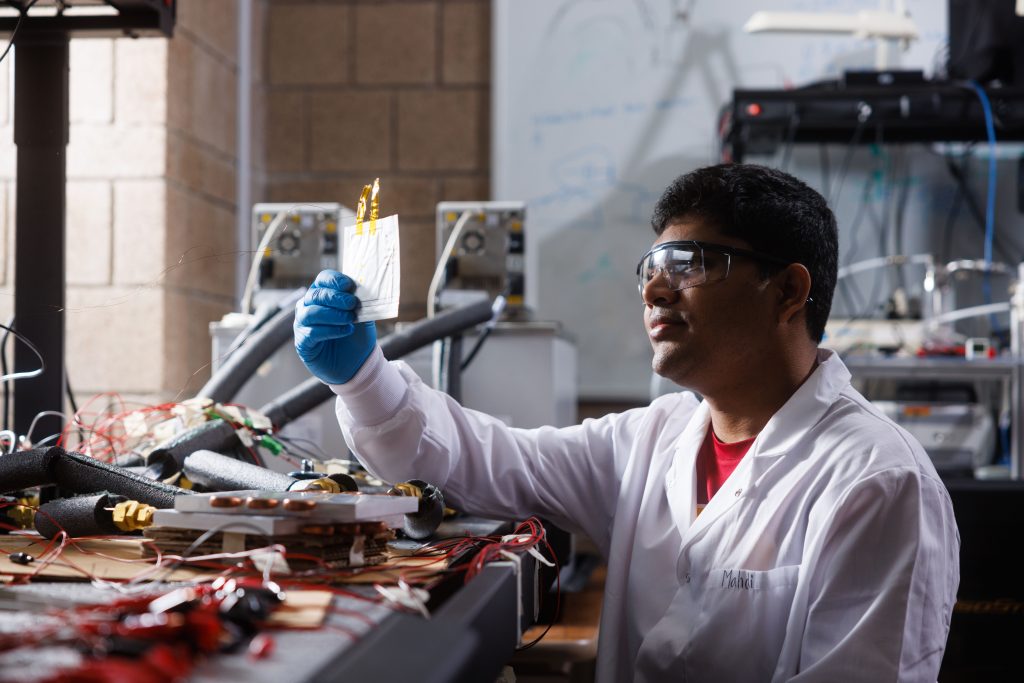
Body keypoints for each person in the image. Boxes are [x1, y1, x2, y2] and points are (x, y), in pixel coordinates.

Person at [294, 163, 959, 682]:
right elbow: (485, 460)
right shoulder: (652, 439)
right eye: (653, 268)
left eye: (691, 264)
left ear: (787, 291)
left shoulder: (879, 482)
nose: (654, 290)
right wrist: (362, 377)